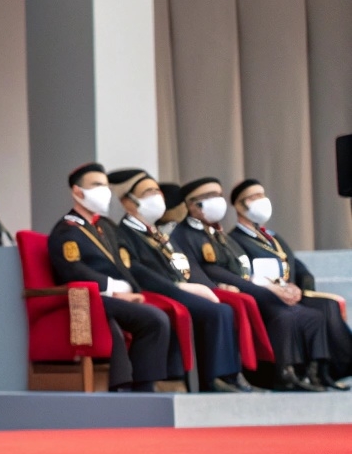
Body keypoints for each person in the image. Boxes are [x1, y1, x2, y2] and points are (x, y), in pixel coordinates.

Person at [176, 177, 330, 391]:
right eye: (209, 197)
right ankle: (276, 374)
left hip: (246, 287)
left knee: (312, 315)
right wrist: (220, 288)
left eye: (219, 195)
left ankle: (311, 373)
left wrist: (280, 285)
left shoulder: (216, 233)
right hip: (219, 292)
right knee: (278, 313)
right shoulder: (183, 234)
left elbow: (242, 267)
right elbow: (194, 270)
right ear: (191, 204)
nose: (217, 201)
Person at [107, 168, 253, 392]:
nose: (157, 196)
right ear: (128, 202)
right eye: (148, 192)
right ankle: (214, 378)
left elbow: (180, 263)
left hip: (175, 287)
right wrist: (179, 287)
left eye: (158, 191)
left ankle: (231, 375)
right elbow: (138, 272)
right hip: (157, 291)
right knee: (218, 311)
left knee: (223, 306)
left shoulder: (155, 232)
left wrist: (200, 286)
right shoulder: (123, 233)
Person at [46, 162, 179, 392]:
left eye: (106, 185)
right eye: (97, 185)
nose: (104, 191)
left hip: (118, 296)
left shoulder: (105, 226)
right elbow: (73, 270)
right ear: (78, 192)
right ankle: (139, 386)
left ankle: (154, 382)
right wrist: (113, 289)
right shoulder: (66, 229)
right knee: (153, 319)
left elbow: (124, 262)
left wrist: (134, 290)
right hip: (90, 298)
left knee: (166, 311)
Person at [228, 179, 351, 389]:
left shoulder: (272, 237)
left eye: (262, 195)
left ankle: (326, 369)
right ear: (239, 205)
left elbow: (292, 263)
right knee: (302, 314)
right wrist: (275, 289)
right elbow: (243, 274)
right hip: (263, 295)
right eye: (254, 197)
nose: (262, 200)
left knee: (326, 308)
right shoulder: (233, 240)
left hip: (288, 292)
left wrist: (297, 287)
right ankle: (291, 372)